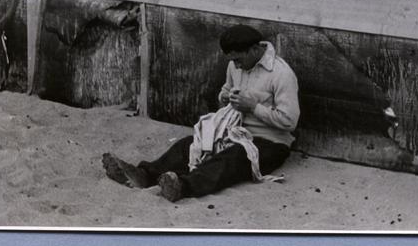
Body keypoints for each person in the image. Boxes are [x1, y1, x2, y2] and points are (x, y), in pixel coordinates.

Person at [102, 24, 300, 202]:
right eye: (233, 61)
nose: (236, 66)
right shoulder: (234, 65)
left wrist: (253, 107)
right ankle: (144, 174)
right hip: (233, 133)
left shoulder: (282, 74)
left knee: (233, 158)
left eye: (239, 60)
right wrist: (224, 97)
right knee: (189, 145)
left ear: (255, 50)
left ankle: (183, 187)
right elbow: (226, 89)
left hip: (270, 143)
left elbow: (289, 121)